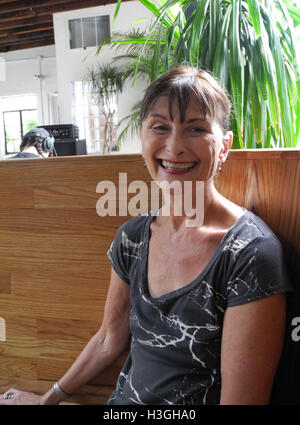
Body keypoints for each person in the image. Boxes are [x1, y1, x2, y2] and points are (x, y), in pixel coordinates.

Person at [0, 66, 293, 405]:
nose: (175, 146)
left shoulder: (249, 252)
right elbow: (110, 338)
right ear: (142, 137)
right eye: (160, 127)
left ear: (224, 146)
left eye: (195, 128)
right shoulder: (133, 237)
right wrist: (46, 400)